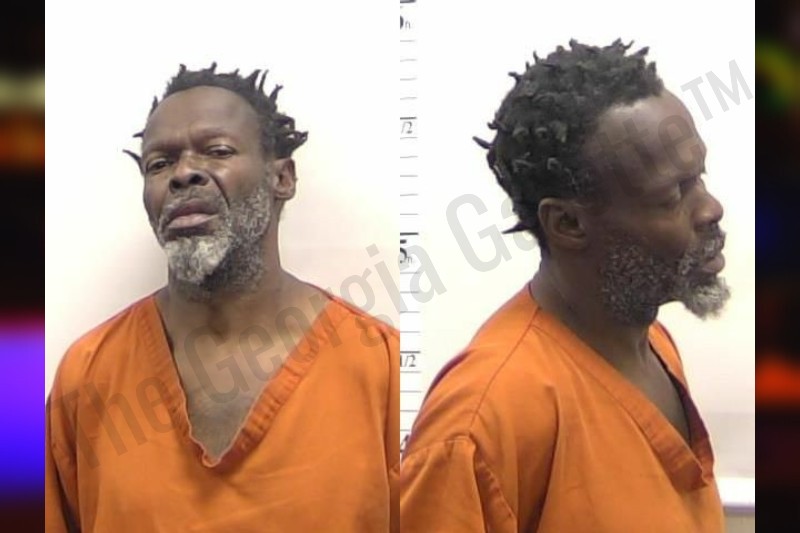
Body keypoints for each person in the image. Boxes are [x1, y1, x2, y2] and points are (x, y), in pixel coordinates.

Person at [45, 64, 399, 532]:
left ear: (282, 179)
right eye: (159, 164)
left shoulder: (381, 367)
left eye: (217, 151)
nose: (183, 174)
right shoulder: (89, 375)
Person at [401, 40, 730, 532]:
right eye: (672, 195)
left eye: (698, 177)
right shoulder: (484, 418)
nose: (710, 209)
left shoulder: (652, 343)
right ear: (568, 223)